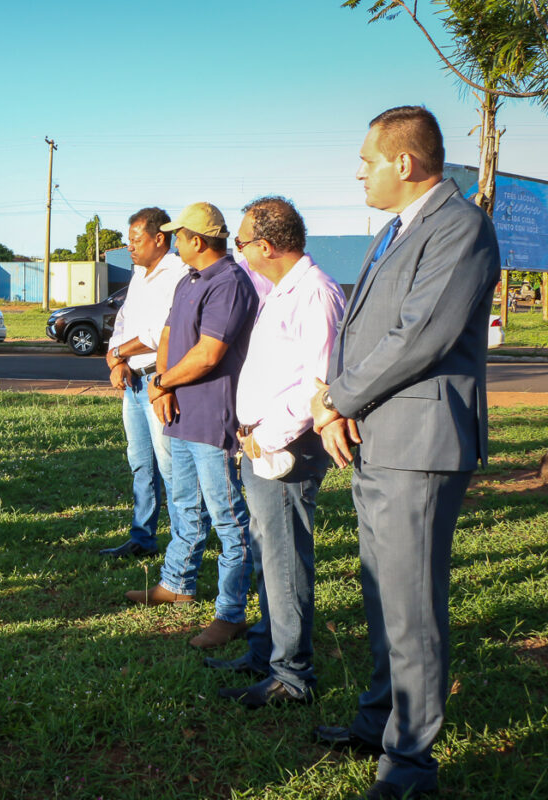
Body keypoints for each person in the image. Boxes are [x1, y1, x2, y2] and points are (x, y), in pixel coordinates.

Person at [310, 106, 499, 800]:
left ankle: (410, 767)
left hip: (419, 445)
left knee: (413, 606)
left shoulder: (460, 228)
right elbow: (363, 328)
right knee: (384, 593)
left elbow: (421, 336)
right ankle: (378, 722)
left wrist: (338, 399)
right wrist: (337, 397)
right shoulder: (396, 230)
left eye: (366, 161)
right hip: (378, 439)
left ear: (404, 163)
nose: (358, 171)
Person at [207, 197, 344, 709]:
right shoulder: (283, 289)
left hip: (285, 445)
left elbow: (323, 382)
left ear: (265, 246)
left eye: (240, 243)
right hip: (261, 441)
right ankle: (267, 655)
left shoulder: (315, 294)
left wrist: (270, 433)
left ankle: (292, 674)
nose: (236, 250)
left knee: (285, 559)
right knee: (269, 553)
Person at [138, 202, 259, 650]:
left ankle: (230, 613)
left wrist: (161, 382)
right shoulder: (190, 279)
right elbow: (169, 335)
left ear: (198, 240)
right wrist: (163, 386)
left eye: (179, 235)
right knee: (184, 505)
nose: (173, 241)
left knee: (228, 519)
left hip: (212, 416)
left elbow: (210, 353)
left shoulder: (229, 283)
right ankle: (177, 585)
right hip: (180, 410)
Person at [99, 208, 189, 559]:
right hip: (133, 380)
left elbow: (159, 332)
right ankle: (142, 538)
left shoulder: (178, 273)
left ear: (158, 239)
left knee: (170, 466)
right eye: (128, 239)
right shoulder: (139, 273)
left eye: (135, 240)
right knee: (141, 463)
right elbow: (123, 318)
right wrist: (115, 357)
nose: (129, 246)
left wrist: (121, 351)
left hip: (158, 380)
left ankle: (183, 544)